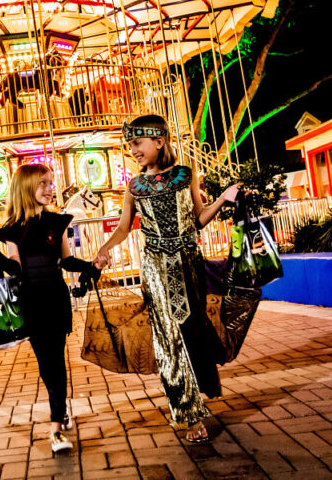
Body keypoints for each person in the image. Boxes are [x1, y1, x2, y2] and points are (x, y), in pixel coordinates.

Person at [93, 114, 240, 443]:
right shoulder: (134, 186)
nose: (133, 150)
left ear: (159, 141)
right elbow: (122, 227)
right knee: (167, 339)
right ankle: (185, 414)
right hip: (156, 267)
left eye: (138, 143)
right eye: (129, 145)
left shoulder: (186, 175)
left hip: (189, 263)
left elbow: (200, 219)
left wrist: (222, 199)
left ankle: (198, 392)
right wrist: (104, 248)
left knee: (192, 331)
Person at [0, 163, 97, 455]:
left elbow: (66, 260)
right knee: (47, 366)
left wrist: (91, 265)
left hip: (56, 300)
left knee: (56, 362)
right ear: (26, 188)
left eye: (51, 182)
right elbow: (16, 267)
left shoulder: (57, 222)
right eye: (43, 183)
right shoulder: (14, 230)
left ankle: (55, 428)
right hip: (30, 303)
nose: (49, 188)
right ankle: (61, 408)